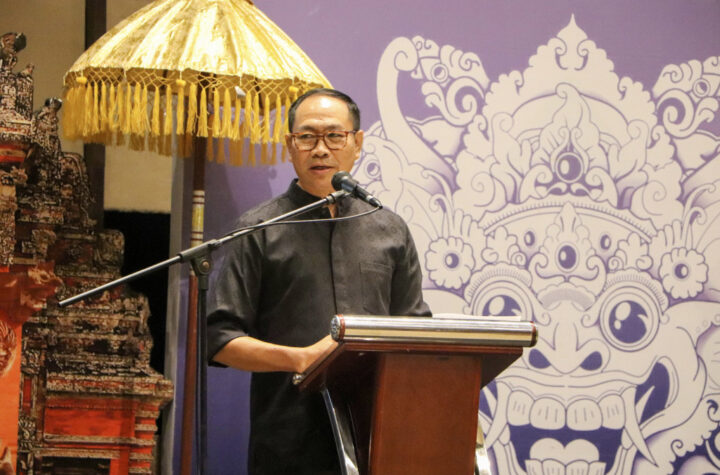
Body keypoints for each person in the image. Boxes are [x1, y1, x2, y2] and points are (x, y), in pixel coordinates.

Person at [207, 88, 431, 474]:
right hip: (289, 441)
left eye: (334, 136)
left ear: (357, 143)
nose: (321, 149)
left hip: (376, 436)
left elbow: (415, 333)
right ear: (290, 146)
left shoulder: (389, 229)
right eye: (307, 137)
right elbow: (220, 341)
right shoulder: (259, 229)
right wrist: (301, 358)